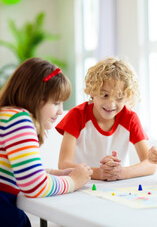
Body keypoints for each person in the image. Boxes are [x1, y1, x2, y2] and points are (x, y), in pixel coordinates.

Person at [0, 58, 93, 227]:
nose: (60, 111)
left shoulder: (5, 115)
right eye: (56, 103)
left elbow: (13, 170)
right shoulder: (19, 119)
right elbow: (34, 185)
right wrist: (73, 181)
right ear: (35, 98)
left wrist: (52, 173)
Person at [56, 57, 156, 181]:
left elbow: (151, 163)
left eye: (119, 98)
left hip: (117, 188)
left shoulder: (130, 118)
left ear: (127, 97)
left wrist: (121, 172)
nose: (111, 104)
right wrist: (99, 173)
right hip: (82, 186)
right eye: (105, 95)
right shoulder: (77, 115)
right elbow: (63, 164)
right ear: (93, 92)